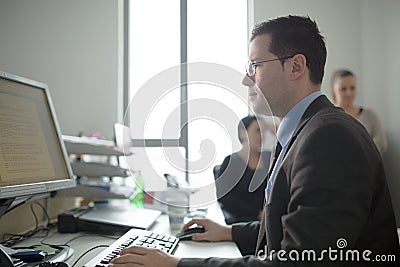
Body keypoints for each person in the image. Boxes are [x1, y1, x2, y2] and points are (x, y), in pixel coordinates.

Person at [109, 15, 400, 267]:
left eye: (255, 66)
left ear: (296, 66)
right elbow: (292, 225)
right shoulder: (306, 130)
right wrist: (230, 232)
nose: (246, 80)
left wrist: (178, 265)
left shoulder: (329, 138)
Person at [215, 115, 271, 224]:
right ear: (242, 133)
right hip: (242, 221)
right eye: (258, 130)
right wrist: (257, 213)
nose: (262, 135)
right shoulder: (231, 161)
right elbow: (224, 197)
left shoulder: (270, 157)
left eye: (264, 131)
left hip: (269, 219)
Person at [331, 68, 388, 154]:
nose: (349, 93)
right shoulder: (328, 117)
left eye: (352, 88)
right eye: (343, 89)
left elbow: (381, 143)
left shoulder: (369, 115)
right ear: (333, 90)